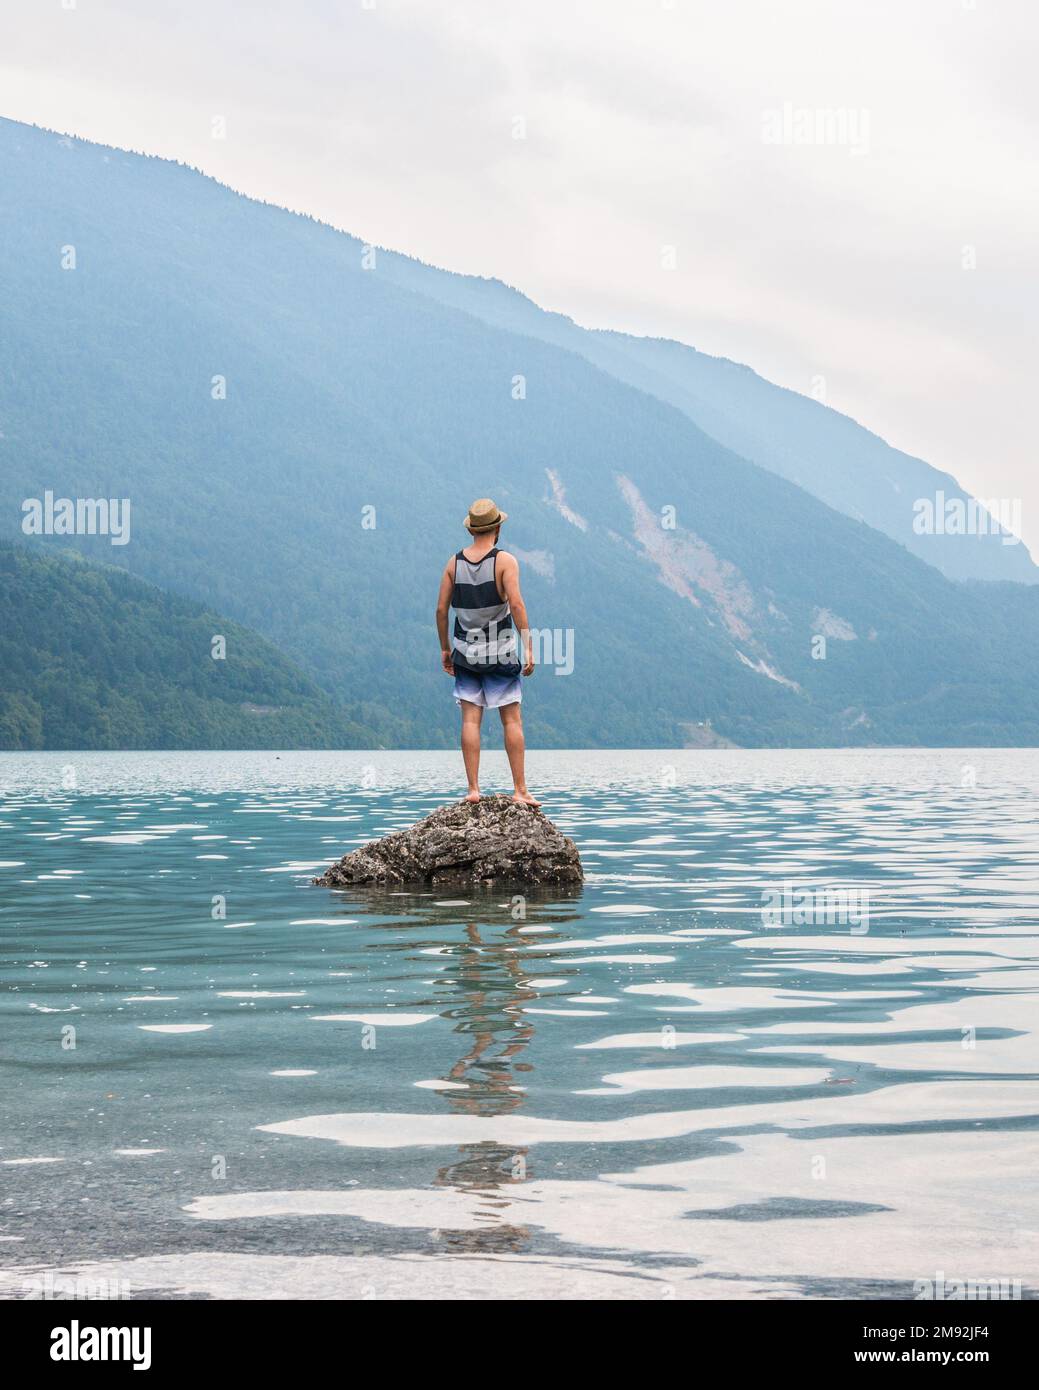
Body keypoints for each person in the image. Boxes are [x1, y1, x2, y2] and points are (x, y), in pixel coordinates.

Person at [435, 498, 538, 805]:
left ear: (472, 530)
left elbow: (441, 610)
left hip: (465, 652)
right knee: (511, 720)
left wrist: (445, 648)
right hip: (502, 652)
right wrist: (528, 647)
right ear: (497, 528)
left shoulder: (454, 563)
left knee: (470, 720)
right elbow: (517, 605)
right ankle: (520, 790)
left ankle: (473, 790)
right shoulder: (505, 561)